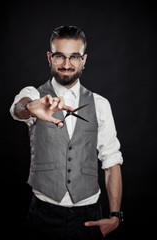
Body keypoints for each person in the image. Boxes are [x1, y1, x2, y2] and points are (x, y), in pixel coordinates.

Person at [10, 25, 123, 240]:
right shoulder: (34, 94)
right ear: (49, 57)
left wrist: (116, 215)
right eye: (60, 56)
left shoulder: (100, 104)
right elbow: (18, 109)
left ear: (84, 59)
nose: (67, 64)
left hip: (89, 214)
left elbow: (111, 160)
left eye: (74, 57)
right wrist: (29, 107)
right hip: (43, 214)